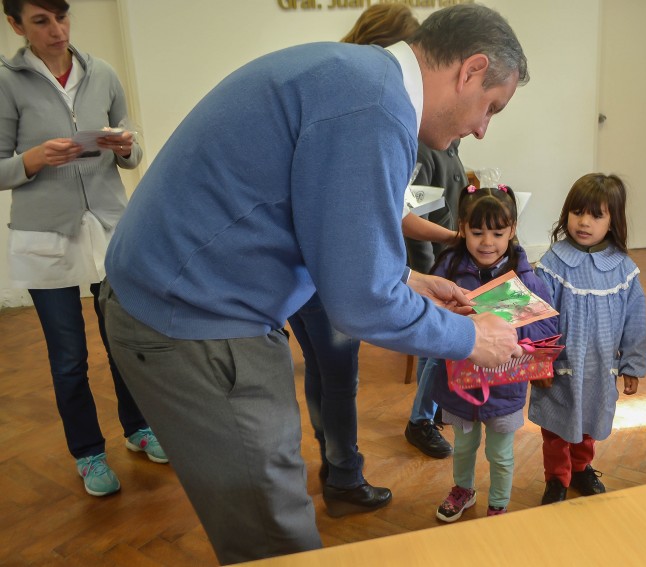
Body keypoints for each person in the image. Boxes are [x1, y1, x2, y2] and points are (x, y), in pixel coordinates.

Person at [100, 4, 528, 564]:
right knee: (274, 534)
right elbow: (361, 304)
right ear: (471, 70)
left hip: (182, 299)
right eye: (491, 107)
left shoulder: (356, 77)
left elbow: (326, 228)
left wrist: (407, 278)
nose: (481, 128)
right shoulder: (375, 109)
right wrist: (473, 339)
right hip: (194, 321)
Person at [0, 0, 166, 498]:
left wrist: (125, 146)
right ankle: (89, 453)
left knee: (124, 342)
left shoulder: (104, 73)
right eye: (41, 21)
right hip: (46, 237)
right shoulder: (7, 83)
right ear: (15, 24)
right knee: (69, 357)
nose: (57, 30)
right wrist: (32, 158)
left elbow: (134, 149)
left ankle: (138, 428)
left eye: (62, 17)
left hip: (109, 230)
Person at [285, 2, 429, 520]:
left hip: (297, 272)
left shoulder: (326, 85)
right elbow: (360, 224)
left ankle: (332, 458)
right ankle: (344, 477)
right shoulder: (371, 108)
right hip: (325, 275)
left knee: (323, 370)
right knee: (340, 377)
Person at [423, 184, 557, 522]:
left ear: (512, 230)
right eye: (477, 232)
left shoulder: (526, 278)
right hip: (459, 386)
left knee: (500, 455)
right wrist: (457, 323)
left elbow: (547, 328)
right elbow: (429, 319)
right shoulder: (448, 269)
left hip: (505, 387)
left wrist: (507, 328)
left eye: (497, 233)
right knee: (463, 448)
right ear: (462, 228)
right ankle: (463, 490)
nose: (487, 242)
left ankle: (499, 504)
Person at [528, 173, 646, 505]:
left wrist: (633, 365)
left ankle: (581, 468)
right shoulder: (552, 264)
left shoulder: (623, 269)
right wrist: (539, 363)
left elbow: (635, 321)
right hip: (560, 369)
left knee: (589, 423)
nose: (584, 222)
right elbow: (538, 320)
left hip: (599, 369)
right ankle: (556, 478)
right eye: (578, 212)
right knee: (556, 428)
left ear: (613, 220)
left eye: (596, 215)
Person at [403, 138, 467, 460]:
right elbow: (414, 216)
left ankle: (430, 409)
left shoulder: (451, 147)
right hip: (433, 273)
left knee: (432, 352)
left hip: (447, 269)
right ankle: (421, 421)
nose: (481, 130)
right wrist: (428, 274)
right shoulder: (426, 149)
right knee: (436, 351)